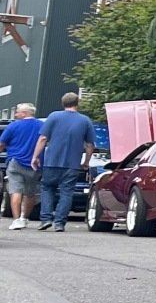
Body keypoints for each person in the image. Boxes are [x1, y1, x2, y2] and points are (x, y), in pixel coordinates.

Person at [31, 93, 94, 233]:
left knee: (47, 189)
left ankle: (46, 219)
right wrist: (86, 162)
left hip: (52, 161)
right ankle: (59, 223)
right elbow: (90, 144)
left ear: (62, 103)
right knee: (67, 192)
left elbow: (43, 138)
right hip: (72, 163)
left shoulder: (54, 116)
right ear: (77, 103)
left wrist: (35, 156)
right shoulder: (85, 120)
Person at [2, 103, 42, 229]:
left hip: (16, 162)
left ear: (24, 113)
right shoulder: (42, 125)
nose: (16, 114)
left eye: (18, 112)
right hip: (35, 164)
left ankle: (16, 219)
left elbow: (1, 143)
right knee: (30, 193)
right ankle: (24, 217)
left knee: (15, 191)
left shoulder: (13, 126)